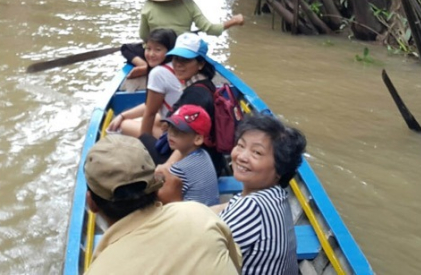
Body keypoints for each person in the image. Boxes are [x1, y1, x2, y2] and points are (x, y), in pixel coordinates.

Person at [84, 134, 242, 275]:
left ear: (91, 203)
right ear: (156, 188)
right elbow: (236, 265)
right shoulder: (200, 214)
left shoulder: (100, 270)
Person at [218, 114, 307, 275]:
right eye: (240, 145)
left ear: (279, 169)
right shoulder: (274, 196)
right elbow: (224, 207)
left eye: (257, 153)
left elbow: (201, 249)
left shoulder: (253, 207)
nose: (242, 156)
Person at [155, 33, 224, 174]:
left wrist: (167, 166)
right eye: (176, 58)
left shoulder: (195, 95)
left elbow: (187, 141)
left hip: (197, 162)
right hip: (210, 156)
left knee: (143, 139)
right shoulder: (205, 84)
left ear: (200, 64)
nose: (178, 64)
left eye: (185, 60)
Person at [110, 28, 181, 137]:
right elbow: (150, 106)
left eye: (158, 50)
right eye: (148, 48)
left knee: (122, 125)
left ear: (169, 51)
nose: (151, 54)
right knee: (156, 118)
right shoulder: (178, 66)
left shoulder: (158, 73)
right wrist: (123, 115)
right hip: (183, 122)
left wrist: (146, 141)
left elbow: (150, 113)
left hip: (179, 135)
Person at [157, 104, 220, 207]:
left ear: (198, 139)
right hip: (209, 214)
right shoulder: (204, 155)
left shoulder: (179, 169)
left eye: (178, 131)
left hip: (192, 219)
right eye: (170, 128)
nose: (171, 134)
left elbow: (161, 196)